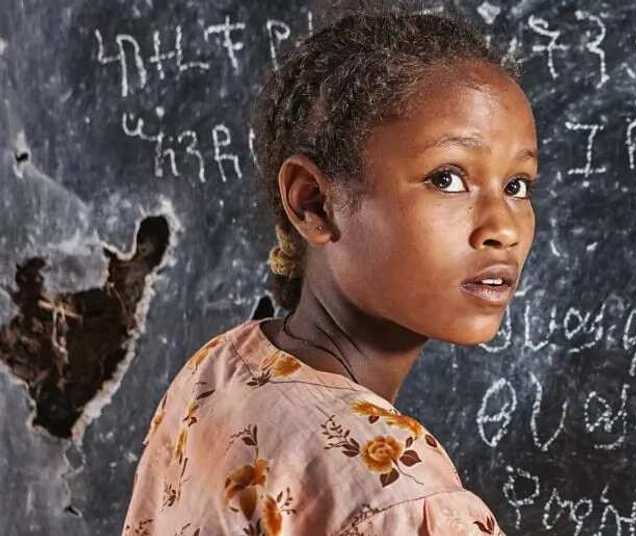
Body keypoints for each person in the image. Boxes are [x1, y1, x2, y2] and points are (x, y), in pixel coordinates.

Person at [121, 8, 537, 535]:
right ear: (314, 203)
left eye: (518, 186)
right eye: (447, 178)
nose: (503, 227)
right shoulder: (403, 504)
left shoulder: (220, 370)